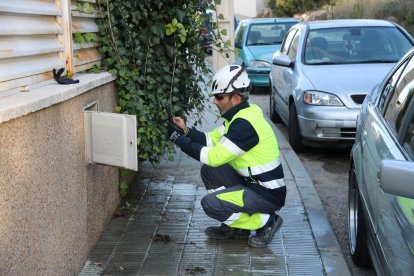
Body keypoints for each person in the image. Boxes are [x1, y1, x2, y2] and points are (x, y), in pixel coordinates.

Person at [167, 64, 286, 248]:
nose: (215, 102)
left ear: (235, 98)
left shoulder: (244, 125)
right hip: (253, 185)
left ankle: (266, 221)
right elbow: (209, 140)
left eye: (219, 97)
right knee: (210, 171)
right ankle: (237, 228)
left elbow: (213, 156)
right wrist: (185, 130)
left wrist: (178, 139)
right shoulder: (240, 116)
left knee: (211, 204)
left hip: (266, 194)